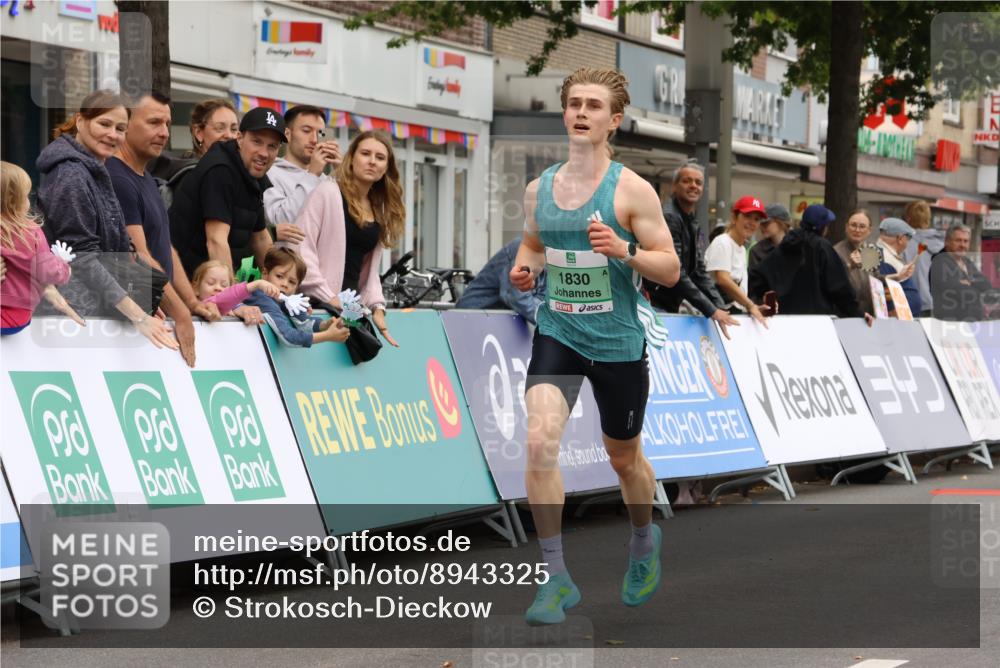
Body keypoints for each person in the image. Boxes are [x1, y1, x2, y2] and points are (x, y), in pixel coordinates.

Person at [508, 67, 680, 625]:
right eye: (574, 103)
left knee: (624, 459)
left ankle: (641, 541)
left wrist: (624, 250)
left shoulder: (631, 190)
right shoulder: (539, 189)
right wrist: (524, 269)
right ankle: (555, 577)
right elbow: (534, 244)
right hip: (559, 331)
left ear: (614, 121)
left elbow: (671, 269)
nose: (582, 112)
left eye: (594, 106)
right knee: (538, 442)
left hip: (618, 343)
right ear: (565, 113)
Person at [35, 90, 178, 350]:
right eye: (104, 124)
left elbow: (116, 252)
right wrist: (137, 314)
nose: (113, 134)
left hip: (95, 319)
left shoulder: (94, 169)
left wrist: (139, 303)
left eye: (120, 128)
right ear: (80, 121)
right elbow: (84, 258)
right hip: (73, 324)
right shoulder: (71, 176)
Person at [108, 91, 224, 367]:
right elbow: (141, 256)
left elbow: (166, 248)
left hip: (157, 318)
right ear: (124, 123)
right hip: (131, 328)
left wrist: (192, 303)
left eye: (167, 124)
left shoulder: (147, 179)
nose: (163, 133)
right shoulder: (116, 176)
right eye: (153, 123)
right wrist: (182, 314)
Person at [293, 130, 404, 347]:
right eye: (365, 154)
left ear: (386, 168)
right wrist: (329, 297)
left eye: (380, 158)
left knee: (367, 353)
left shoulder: (378, 209)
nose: (372, 161)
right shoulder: (327, 192)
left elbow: (369, 272)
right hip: (316, 307)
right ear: (351, 159)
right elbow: (301, 249)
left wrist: (377, 308)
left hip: (347, 307)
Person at [170, 106, 282, 277]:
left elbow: (260, 238)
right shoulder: (220, 170)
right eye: (257, 142)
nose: (264, 153)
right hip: (195, 282)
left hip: (233, 276)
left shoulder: (252, 170)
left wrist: (279, 287)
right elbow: (216, 241)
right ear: (240, 138)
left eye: (272, 146)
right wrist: (233, 299)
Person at [645, 161, 738, 338]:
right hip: (654, 305)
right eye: (687, 181)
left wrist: (719, 306)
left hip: (667, 305)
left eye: (698, 182)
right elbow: (676, 272)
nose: (693, 186)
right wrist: (712, 310)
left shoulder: (689, 218)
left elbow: (699, 271)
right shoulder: (671, 216)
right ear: (674, 186)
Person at [1, 161, 83, 334]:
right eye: (25, 195)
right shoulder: (29, 233)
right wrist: (63, 265)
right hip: (15, 316)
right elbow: (47, 271)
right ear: (12, 199)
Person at [748, 204, 860, 317]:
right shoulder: (822, 247)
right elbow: (840, 288)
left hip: (785, 319)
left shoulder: (786, 245)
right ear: (823, 227)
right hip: (817, 320)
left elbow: (759, 277)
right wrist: (856, 314)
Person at [243, 246, 349, 347]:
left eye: (292, 282)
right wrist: (327, 336)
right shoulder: (261, 297)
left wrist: (325, 325)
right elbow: (288, 337)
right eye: (279, 276)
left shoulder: (287, 300)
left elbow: (304, 322)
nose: (285, 284)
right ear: (265, 274)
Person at [264, 105, 341, 243]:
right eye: (306, 131)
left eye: (321, 133)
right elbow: (280, 221)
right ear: (287, 134)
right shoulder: (270, 172)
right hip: (286, 262)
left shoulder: (328, 181)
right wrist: (312, 175)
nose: (314, 140)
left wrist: (343, 175)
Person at [149, 98, 239, 203]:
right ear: (199, 133)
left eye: (234, 129)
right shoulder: (194, 176)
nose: (229, 135)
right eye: (220, 128)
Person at [703, 196, 769, 324]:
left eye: (757, 219)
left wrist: (752, 308)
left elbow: (738, 288)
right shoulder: (722, 242)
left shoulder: (742, 248)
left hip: (730, 314)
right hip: (713, 316)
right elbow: (723, 279)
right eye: (747, 216)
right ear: (734, 217)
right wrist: (750, 305)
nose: (752, 223)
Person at [455, 238, 547, 324]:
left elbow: (542, 299)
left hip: (494, 322)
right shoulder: (521, 250)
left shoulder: (547, 254)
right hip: (471, 317)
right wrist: (549, 323)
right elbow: (517, 299)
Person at [930, 224, 991, 321]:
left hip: (972, 324)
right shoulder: (940, 263)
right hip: (951, 324)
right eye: (958, 240)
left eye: (966, 241)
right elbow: (963, 294)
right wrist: (975, 287)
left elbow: (987, 285)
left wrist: (969, 282)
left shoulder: (967, 262)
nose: (962, 245)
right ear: (947, 242)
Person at [191, 259, 277, 326]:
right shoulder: (195, 307)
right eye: (211, 283)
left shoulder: (232, 308)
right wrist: (255, 284)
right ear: (196, 288)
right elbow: (222, 298)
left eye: (224, 285)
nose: (218, 288)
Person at [833, 209, 877, 317]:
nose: (857, 230)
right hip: (845, 317)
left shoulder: (870, 251)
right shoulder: (835, 252)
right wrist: (850, 267)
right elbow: (835, 285)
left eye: (862, 226)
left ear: (869, 230)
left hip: (869, 317)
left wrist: (896, 277)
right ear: (846, 227)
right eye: (853, 225)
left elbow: (876, 280)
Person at [903, 200, 943, 316]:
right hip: (939, 303)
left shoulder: (904, 244)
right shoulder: (941, 243)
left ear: (908, 218)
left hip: (913, 303)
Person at [875, 217, 921, 315]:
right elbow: (884, 292)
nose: (907, 243)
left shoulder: (882, 254)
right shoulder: (884, 258)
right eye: (908, 238)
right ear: (900, 238)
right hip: (895, 321)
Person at [748, 203, 791, 270]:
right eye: (761, 223)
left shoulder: (798, 246)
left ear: (780, 222)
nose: (761, 227)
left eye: (766, 223)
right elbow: (755, 279)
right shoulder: (757, 251)